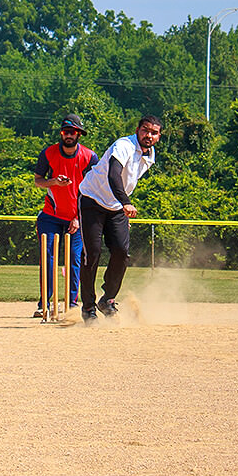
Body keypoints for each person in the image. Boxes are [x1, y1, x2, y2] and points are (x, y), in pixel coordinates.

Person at [78, 115, 162, 323]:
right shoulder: (123, 145)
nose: (148, 135)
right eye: (145, 130)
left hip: (116, 206)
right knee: (92, 253)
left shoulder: (150, 156)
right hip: (92, 199)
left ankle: (107, 300)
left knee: (122, 252)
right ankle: (88, 307)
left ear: (159, 136)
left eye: (154, 132)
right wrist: (125, 202)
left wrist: (122, 205)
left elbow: (129, 179)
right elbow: (114, 175)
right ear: (137, 130)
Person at [31, 114, 97, 317]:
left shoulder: (89, 156)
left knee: (75, 259)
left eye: (73, 132)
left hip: (78, 217)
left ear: (79, 134)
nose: (69, 135)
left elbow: (94, 189)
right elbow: (38, 181)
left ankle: (72, 303)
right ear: (61, 133)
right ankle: (45, 303)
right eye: (66, 132)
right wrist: (54, 182)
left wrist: (78, 216)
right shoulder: (49, 153)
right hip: (51, 215)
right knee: (48, 258)